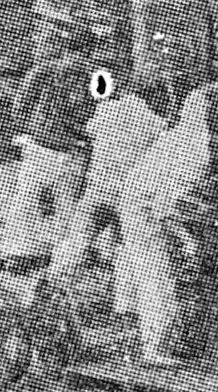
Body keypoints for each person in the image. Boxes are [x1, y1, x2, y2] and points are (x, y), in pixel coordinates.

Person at [119, 86, 215, 367]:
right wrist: (186, 239)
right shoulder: (194, 149)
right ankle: (156, 350)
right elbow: (166, 205)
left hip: (143, 203)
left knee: (157, 276)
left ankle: (162, 343)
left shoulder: (181, 136)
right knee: (156, 280)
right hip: (141, 211)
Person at [50, 72, 166, 281]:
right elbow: (162, 136)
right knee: (129, 248)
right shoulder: (146, 116)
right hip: (128, 194)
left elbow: (89, 136)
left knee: (78, 238)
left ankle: (57, 277)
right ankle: (125, 295)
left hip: (98, 191)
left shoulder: (100, 115)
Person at [0, 23, 99, 262]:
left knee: (28, 196)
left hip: (43, 144)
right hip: (73, 147)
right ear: (90, 50)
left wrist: (31, 130)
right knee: (68, 202)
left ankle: (18, 250)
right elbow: (101, 110)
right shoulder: (96, 76)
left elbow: (19, 107)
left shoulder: (44, 70)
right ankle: (69, 253)